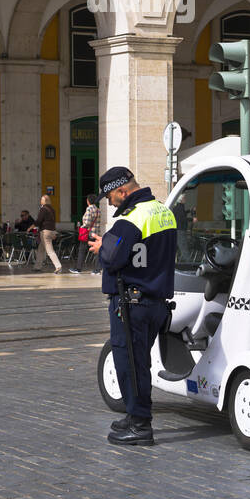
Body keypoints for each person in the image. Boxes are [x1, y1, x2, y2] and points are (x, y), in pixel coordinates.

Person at [88, 166, 177, 446]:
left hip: (131, 303)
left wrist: (102, 247)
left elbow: (113, 258)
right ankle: (133, 414)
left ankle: (140, 424)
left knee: (131, 363)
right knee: (140, 360)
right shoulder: (164, 211)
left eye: (111, 197)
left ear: (122, 191)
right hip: (156, 301)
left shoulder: (132, 218)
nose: (111, 203)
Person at [74, 192, 100, 273]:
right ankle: (97, 269)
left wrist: (81, 227)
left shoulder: (89, 209)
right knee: (97, 251)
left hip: (88, 233)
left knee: (82, 250)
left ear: (88, 201)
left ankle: (78, 268)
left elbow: (87, 223)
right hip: (95, 233)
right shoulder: (98, 210)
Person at [36, 193, 62, 273]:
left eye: (41, 200)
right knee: (41, 249)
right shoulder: (52, 209)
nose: (40, 201)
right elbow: (53, 221)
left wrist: (32, 226)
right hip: (51, 230)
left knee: (50, 250)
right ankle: (37, 266)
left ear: (45, 201)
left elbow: (39, 220)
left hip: (45, 231)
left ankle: (58, 266)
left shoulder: (43, 209)